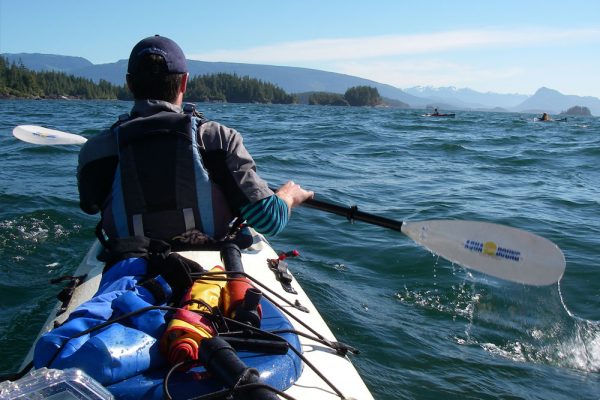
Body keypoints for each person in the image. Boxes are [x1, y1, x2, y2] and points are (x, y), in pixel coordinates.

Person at [77, 35, 314, 246]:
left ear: (129, 83)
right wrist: (288, 196)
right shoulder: (218, 139)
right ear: (184, 82)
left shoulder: (95, 150)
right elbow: (268, 220)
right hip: (207, 264)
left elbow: (90, 207)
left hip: (128, 260)